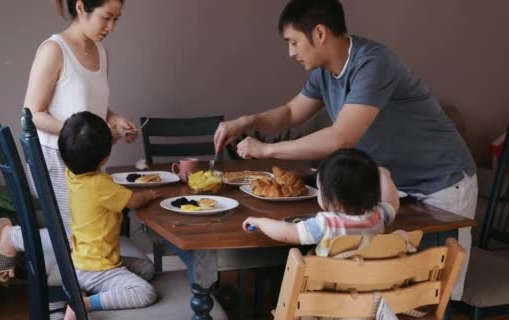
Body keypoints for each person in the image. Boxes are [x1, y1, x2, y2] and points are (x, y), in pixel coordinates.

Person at [216, 0, 476, 299]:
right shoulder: (323, 73)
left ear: (319, 33)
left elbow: (341, 137)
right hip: (392, 185)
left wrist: (265, 151)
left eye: (293, 42)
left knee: (431, 295)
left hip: (442, 182)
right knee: (392, 292)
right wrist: (244, 122)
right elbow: (290, 113)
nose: (291, 52)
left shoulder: (374, 63)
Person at [0, 1, 154, 318]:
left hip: (83, 161)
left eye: (117, 19)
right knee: (78, 235)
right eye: (106, 18)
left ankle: (76, 300)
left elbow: (93, 106)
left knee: (85, 236)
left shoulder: (101, 52)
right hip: (56, 157)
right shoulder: (54, 50)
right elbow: (32, 114)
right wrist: (83, 133)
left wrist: (114, 120)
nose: (111, 27)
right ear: (81, 7)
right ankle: (11, 236)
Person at [58, 111, 158, 319]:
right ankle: (85, 303)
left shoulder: (71, 174)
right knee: (146, 292)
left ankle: (84, 289)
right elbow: (133, 200)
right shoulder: (100, 184)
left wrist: (106, 139)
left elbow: (87, 152)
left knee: (148, 269)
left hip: (81, 260)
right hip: (98, 268)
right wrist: (150, 194)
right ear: (104, 156)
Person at [243, 149, 399, 257]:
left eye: (319, 188)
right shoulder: (378, 217)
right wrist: (384, 176)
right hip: (366, 292)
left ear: (332, 196)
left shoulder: (326, 224)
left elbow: (287, 232)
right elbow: (392, 202)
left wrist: (260, 222)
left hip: (329, 292)